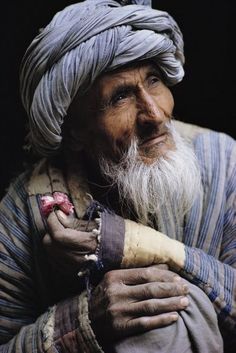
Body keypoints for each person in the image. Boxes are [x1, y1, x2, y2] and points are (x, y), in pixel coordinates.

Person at [0, 0, 235, 352]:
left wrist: (131, 245)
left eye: (153, 80)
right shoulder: (20, 217)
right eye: (121, 97)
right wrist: (82, 322)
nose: (154, 114)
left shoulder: (224, 162)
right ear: (75, 131)